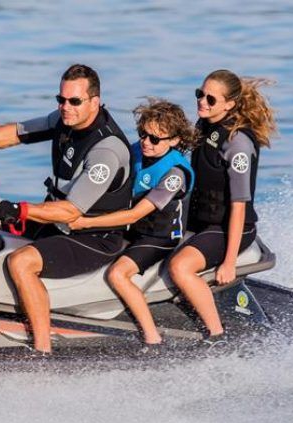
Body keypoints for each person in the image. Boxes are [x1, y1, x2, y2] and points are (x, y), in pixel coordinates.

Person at [0, 64, 133, 353]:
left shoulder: (106, 151)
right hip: (55, 223)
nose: (66, 107)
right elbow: (14, 133)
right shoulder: (65, 121)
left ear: (94, 102)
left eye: (74, 101)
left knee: (21, 262)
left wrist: (18, 209)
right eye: (61, 100)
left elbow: (70, 212)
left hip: (93, 237)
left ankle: (42, 350)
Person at [68, 98, 197, 345]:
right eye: (143, 134)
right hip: (131, 231)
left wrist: (84, 222)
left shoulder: (175, 174)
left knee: (118, 274)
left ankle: (152, 338)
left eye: (155, 139)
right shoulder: (136, 150)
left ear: (174, 141)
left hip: (158, 237)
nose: (146, 142)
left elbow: (135, 214)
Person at [167, 69, 277, 342]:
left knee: (180, 267)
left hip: (227, 228)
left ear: (229, 104)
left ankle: (217, 336)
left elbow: (239, 206)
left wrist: (228, 263)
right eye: (200, 94)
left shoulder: (237, 143)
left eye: (210, 99)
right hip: (200, 223)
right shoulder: (205, 126)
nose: (202, 101)